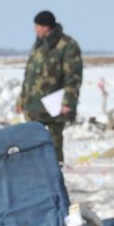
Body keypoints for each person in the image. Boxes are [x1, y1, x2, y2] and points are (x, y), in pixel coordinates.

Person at [20, 11, 83, 162]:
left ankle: (55, 176)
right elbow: (29, 75)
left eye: (37, 26)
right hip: (33, 106)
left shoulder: (67, 45)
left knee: (54, 144)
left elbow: (73, 77)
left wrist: (68, 102)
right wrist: (21, 99)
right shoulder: (38, 45)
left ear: (46, 27)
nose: (35, 29)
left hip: (54, 105)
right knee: (32, 143)